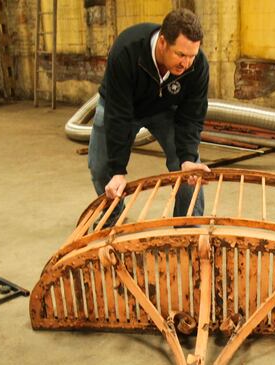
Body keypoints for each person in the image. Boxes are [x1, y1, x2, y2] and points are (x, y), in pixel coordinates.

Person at [88, 8, 210, 226]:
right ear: (163, 43)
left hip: (163, 109)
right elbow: (118, 115)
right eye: (180, 55)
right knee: (100, 168)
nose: (187, 63)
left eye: (191, 55)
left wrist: (187, 158)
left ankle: (188, 227)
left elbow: (191, 116)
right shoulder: (127, 50)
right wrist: (117, 170)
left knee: (190, 171)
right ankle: (113, 213)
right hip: (120, 105)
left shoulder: (198, 64)